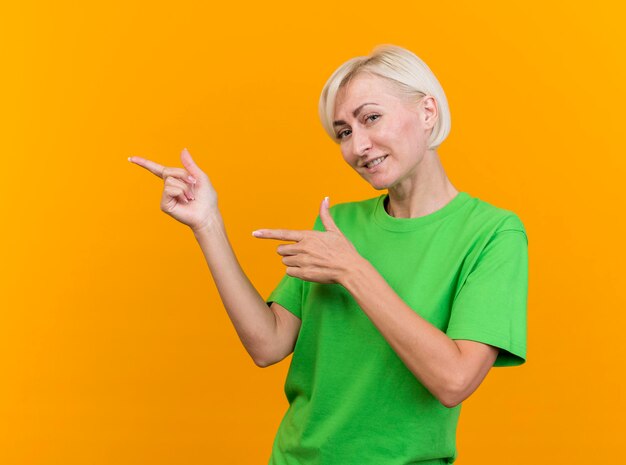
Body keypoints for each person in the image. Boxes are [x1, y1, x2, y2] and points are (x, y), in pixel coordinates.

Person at [129, 44, 528, 465]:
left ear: (428, 111)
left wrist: (352, 270)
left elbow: (454, 380)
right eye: (343, 132)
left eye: (371, 118)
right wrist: (207, 224)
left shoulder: (492, 233)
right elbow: (267, 344)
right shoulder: (338, 225)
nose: (358, 146)